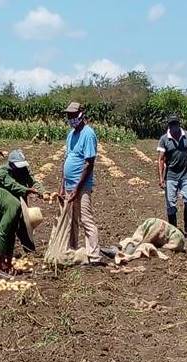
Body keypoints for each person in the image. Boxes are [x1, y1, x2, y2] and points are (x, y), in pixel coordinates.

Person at [59, 102, 103, 265]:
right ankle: (72, 251)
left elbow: (88, 164)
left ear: (81, 114)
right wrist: (62, 187)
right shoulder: (71, 134)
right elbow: (66, 159)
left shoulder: (88, 134)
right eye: (68, 116)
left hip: (82, 186)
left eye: (72, 115)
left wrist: (77, 188)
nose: (70, 119)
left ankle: (94, 256)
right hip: (69, 185)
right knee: (72, 220)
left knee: (86, 219)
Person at [0, 149, 49, 252]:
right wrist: (28, 190)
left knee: (23, 224)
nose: (21, 168)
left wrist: (42, 192)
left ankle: (29, 250)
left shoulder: (24, 169)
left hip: (16, 199)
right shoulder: (2, 172)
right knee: (1, 227)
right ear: (11, 164)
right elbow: (13, 185)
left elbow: (33, 181)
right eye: (18, 165)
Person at [157, 115, 187, 236]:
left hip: (186, 174)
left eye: (176, 124)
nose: (174, 127)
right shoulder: (164, 139)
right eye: (171, 125)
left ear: (179, 124)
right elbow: (161, 159)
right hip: (171, 175)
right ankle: (173, 230)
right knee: (171, 205)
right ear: (169, 126)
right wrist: (161, 178)